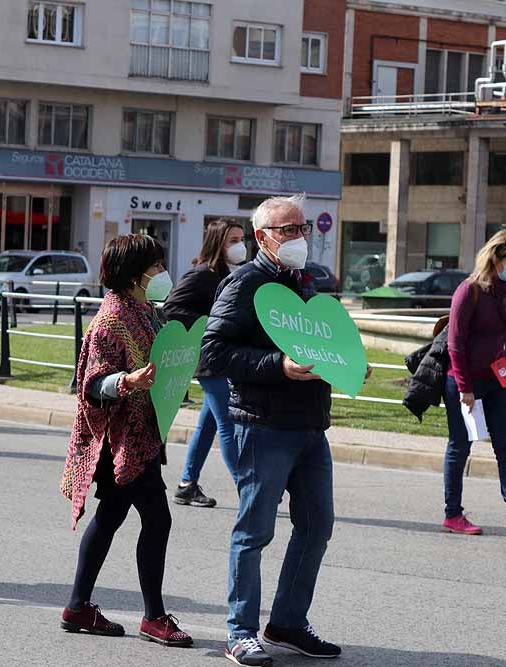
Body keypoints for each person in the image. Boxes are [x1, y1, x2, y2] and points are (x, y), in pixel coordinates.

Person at [202, 195, 362, 665]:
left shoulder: (304, 281)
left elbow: (320, 343)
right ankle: (240, 631)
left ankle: (288, 623)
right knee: (254, 531)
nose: (298, 237)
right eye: (287, 229)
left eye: (302, 227)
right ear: (262, 237)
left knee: (317, 526)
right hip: (264, 425)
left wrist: (347, 366)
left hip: (311, 426)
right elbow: (212, 353)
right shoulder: (243, 283)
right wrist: (278, 366)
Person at [59, 234, 193, 649]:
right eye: (155, 267)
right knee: (158, 519)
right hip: (123, 443)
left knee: (112, 515)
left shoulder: (144, 310)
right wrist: (126, 382)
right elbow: (92, 383)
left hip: (140, 437)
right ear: (134, 275)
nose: (161, 273)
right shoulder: (110, 320)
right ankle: (154, 617)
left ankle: (78, 607)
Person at [442, 231, 506, 539]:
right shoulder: (469, 290)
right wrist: (464, 388)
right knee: (460, 446)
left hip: (499, 379)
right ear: (496, 259)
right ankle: (453, 514)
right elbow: (455, 344)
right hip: (465, 382)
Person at [162, 219, 247, 508]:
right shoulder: (201, 274)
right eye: (232, 240)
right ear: (217, 243)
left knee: (208, 424)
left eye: (241, 238)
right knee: (228, 423)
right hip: (209, 359)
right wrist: (210, 324)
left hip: (225, 358)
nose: (240, 245)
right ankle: (246, 486)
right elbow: (170, 307)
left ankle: (186, 484)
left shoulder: (232, 273)